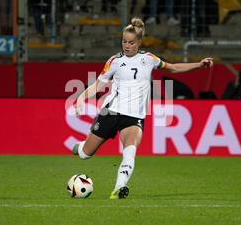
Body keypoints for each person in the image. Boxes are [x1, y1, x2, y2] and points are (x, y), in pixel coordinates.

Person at [71, 18, 213, 199]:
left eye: (131, 42)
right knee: (85, 155)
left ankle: (119, 188)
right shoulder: (114, 61)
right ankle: (80, 146)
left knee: (130, 151)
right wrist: (82, 97)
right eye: (124, 41)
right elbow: (98, 84)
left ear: (139, 42)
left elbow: (174, 68)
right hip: (111, 112)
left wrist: (199, 64)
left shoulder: (149, 59)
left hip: (134, 117)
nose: (127, 45)